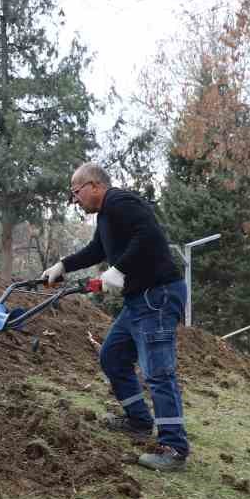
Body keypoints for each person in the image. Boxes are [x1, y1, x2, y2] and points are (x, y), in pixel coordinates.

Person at [43, 163, 191, 472]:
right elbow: (97, 249)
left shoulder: (120, 202)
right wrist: (63, 265)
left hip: (158, 295)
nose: (75, 200)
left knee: (158, 372)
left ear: (94, 185)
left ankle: (174, 447)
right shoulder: (106, 216)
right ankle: (139, 421)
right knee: (112, 356)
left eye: (76, 192)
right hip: (139, 300)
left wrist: (119, 269)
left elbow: (148, 235)